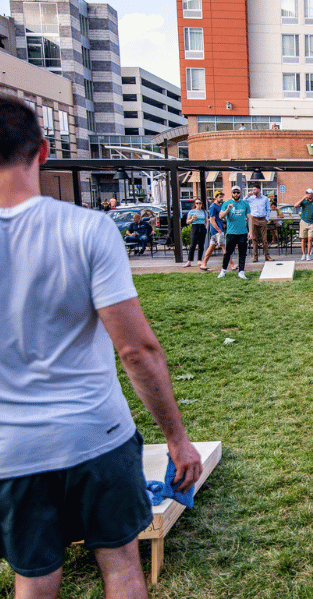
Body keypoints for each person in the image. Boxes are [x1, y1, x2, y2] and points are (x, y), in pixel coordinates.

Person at [0, 95, 202, 599]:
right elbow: (137, 351)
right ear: (43, 152)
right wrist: (176, 439)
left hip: (10, 450)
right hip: (96, 435)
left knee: (34, 576)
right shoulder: (86, 229)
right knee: (121, 564)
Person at [218, 185, 250, 279]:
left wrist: (250, 231)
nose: (236, 194)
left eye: (238, 192)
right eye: (234, 192)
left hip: (243, 232)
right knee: (228, 252)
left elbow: (249, 217)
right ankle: (223, 270)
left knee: (242, 253)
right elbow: (220, 216)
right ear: (231, 193)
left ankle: (241, 271)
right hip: (231, 232)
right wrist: (228, 209)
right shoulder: (226, 203)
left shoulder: (245, 204)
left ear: (240, 193)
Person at [245, 184, 274, 262]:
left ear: (259, 190)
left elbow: (268, 209)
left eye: (254, 189)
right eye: (253, 189)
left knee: (264, 239)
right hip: (253, 219)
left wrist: (266, 219)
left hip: (262, 219)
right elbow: (242, 201)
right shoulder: (250, 198)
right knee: (254, 239)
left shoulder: (265, 198)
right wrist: (247, 195)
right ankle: (255, 257)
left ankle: (267, 256)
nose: (253, 191)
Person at [199, 190, 225, 271]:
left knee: (211, 247)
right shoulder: (213, 206)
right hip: (216, 231)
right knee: (224, 247)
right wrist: (219, 230)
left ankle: (203, 264)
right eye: (220, 197)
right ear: (215, 197)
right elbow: (212, 220)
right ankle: (232, 265)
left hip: (218, 229)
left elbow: (220, 217)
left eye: (222, 197)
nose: (221, 198)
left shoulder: (220, 206)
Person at [295, 188, 313, 261]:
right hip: (304, 221)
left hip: (311, 222)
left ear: (312, 194)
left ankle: (308, 254)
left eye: (309, 193)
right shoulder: (304, 201)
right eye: (307, 193)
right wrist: (303, 198)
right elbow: (295, 205)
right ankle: (303, 254)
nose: (308, 194)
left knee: (310, 239)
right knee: (303, 239)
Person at [184, 199, 207, 267]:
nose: (199, 204)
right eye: (197, 203)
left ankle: (199, 260)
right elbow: (187, 222)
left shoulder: (204, 211)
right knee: (193, 244)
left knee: (201, 244)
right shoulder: (192, 211)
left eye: (200, 203)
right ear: (195, 204)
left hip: (202, 227)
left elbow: (206, 221)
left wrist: (206, 227)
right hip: (195, 227)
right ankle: (189, 261)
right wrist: (192, 219)